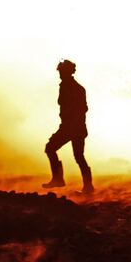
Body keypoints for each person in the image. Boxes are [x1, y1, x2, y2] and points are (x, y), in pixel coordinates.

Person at [43, 59, 94, 194]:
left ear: (67, 72)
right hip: (75, 127)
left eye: (61, 71)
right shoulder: (69, 86)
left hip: (71, 127)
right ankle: (87, 187)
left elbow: (82, 108)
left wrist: (70, 123)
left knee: (51, 148)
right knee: (79, 157)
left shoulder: (73, 88)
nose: (59, 74)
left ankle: (59, 179)